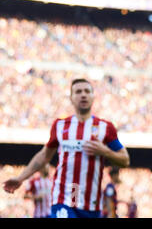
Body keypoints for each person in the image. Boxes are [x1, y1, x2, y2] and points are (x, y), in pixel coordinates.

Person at [3, 78, 130, 218]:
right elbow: (45, 155)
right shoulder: (60, 126)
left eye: (87, 91)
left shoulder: (105, 128)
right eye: (78, 92)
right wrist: (21, 177)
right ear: (71, 98)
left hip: (91, 202)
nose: (83, 95)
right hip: (65, 197)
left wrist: (105, 151)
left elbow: (125, 160)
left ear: (93, 96)